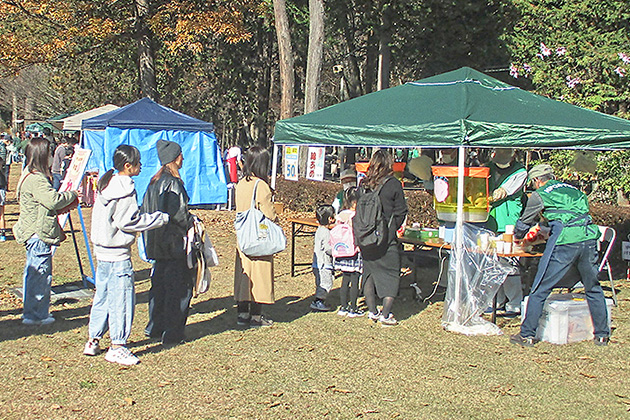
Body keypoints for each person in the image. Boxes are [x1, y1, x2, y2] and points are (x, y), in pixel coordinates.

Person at [84, 145, 169, 365]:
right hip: (118, 256)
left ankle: (93, 339)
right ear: (128, 166)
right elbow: (127, 222)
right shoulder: (125, 188)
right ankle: (118, 346)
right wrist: (159, 219)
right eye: (138, 163)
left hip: (102, 253)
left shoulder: (107, 184)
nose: (141, 166)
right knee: (121, 300)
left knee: (102, 297)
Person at [510, 164, 610, 347]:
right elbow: (572, 215)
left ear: (537, 180)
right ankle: (602, 335)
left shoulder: (540, 194)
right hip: (588, 239)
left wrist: (516, 237)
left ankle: (527, 335)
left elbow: (525, 222)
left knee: (540, 288)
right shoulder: (575, 190)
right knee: (593, 287)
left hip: (565, 241)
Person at [13, 137, 78, 325]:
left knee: (35, 273)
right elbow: (52, 200)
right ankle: (36, 315)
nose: (51, 157)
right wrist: (72, 194)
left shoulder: (29, 173)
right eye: (49, 153)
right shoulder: (36, 179)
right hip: (38, 233)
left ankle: (33, 312)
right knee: (40, 275)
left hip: (33, 231)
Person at [142, 139, 194, 345]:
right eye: (180, 154)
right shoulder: (172, 183)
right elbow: (179, 215)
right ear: (175, 158)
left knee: (159, 286)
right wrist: (192, 222)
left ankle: (155, 327)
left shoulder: (153, 182)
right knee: (178, 289)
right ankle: (173, 333)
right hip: (173, 244)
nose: (183, 158)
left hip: (155, 243)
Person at [359, 150, 408, 326]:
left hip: (365, 235)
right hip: (385, 237)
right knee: (392, 274)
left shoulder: (364, 183)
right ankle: (386, 314)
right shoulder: (393, 184)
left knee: (369, 273)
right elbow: (401, 211)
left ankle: (372, 311)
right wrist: (392, 228)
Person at [234, 146, 278, 327]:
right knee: (260, 275)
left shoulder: (241, 183)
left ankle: (242, 313)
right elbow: (269, 214)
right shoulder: (261, 185)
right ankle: (256, 316)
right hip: (259, 235)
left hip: (243, 234)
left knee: (244, 275)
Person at [486, 148, 527, 315]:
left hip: (508, 223)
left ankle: (514, 303)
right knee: (491, 265)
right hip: (489, 221)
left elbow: (502, 192)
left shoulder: (520, 172)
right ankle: (495, 301)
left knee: (510, 266)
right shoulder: (488, 167)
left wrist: (484, 197)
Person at [334, 187, 364, 317]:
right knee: (355, 279)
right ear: (356, 202)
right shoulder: (356, 215)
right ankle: (353, 307)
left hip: (342, 250)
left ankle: (343, 306)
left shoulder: (341, 215)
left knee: (345, 279)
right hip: (354, 250)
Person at [310, 204, 335, 312]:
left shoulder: (319, 230)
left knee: (320, 283)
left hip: (317, 263)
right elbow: (327, 248)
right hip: (324, 264)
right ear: (330, 219)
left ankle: (319, 300)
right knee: (326, 284)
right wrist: (336, 251)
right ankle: (318, 301)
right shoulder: (326, 233)